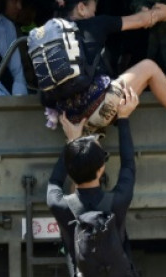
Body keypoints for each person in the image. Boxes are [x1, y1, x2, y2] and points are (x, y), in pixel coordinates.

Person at [45, 0, 166, 136]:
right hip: (98, 110)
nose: (94, 15)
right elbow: (139, 21)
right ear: (81, 8)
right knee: (149, 67)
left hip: (69, 122)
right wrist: (154, 13)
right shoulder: (94, 24)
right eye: (92, 11)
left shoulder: (49, 38)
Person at [47, 86, 140, 277]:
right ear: (102, 169)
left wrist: (72, 141)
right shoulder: (118, 201)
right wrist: (123, 117)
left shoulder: (59, 205)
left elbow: (55, 181)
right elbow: (128, 164)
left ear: (70, 173)